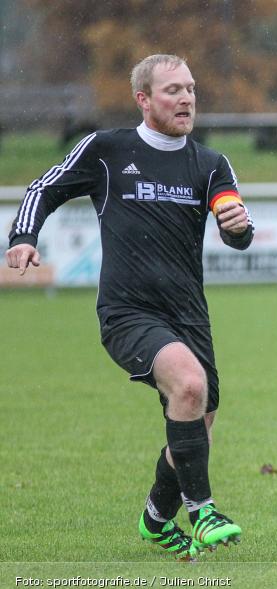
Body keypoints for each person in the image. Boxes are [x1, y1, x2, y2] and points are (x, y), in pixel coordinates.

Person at [5, 54, 252, 562]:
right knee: (188, 386)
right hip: (127, 311)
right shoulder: (107, 150)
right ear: (143, 99)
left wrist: (238, 228)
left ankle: (156, 520)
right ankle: (202, 510)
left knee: (196, 422)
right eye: (173, 91)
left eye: (191, 89)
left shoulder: (211, 164)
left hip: (188, 314)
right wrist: (24, 237)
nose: (186, 99)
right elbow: (43, 188)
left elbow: (237, 231)